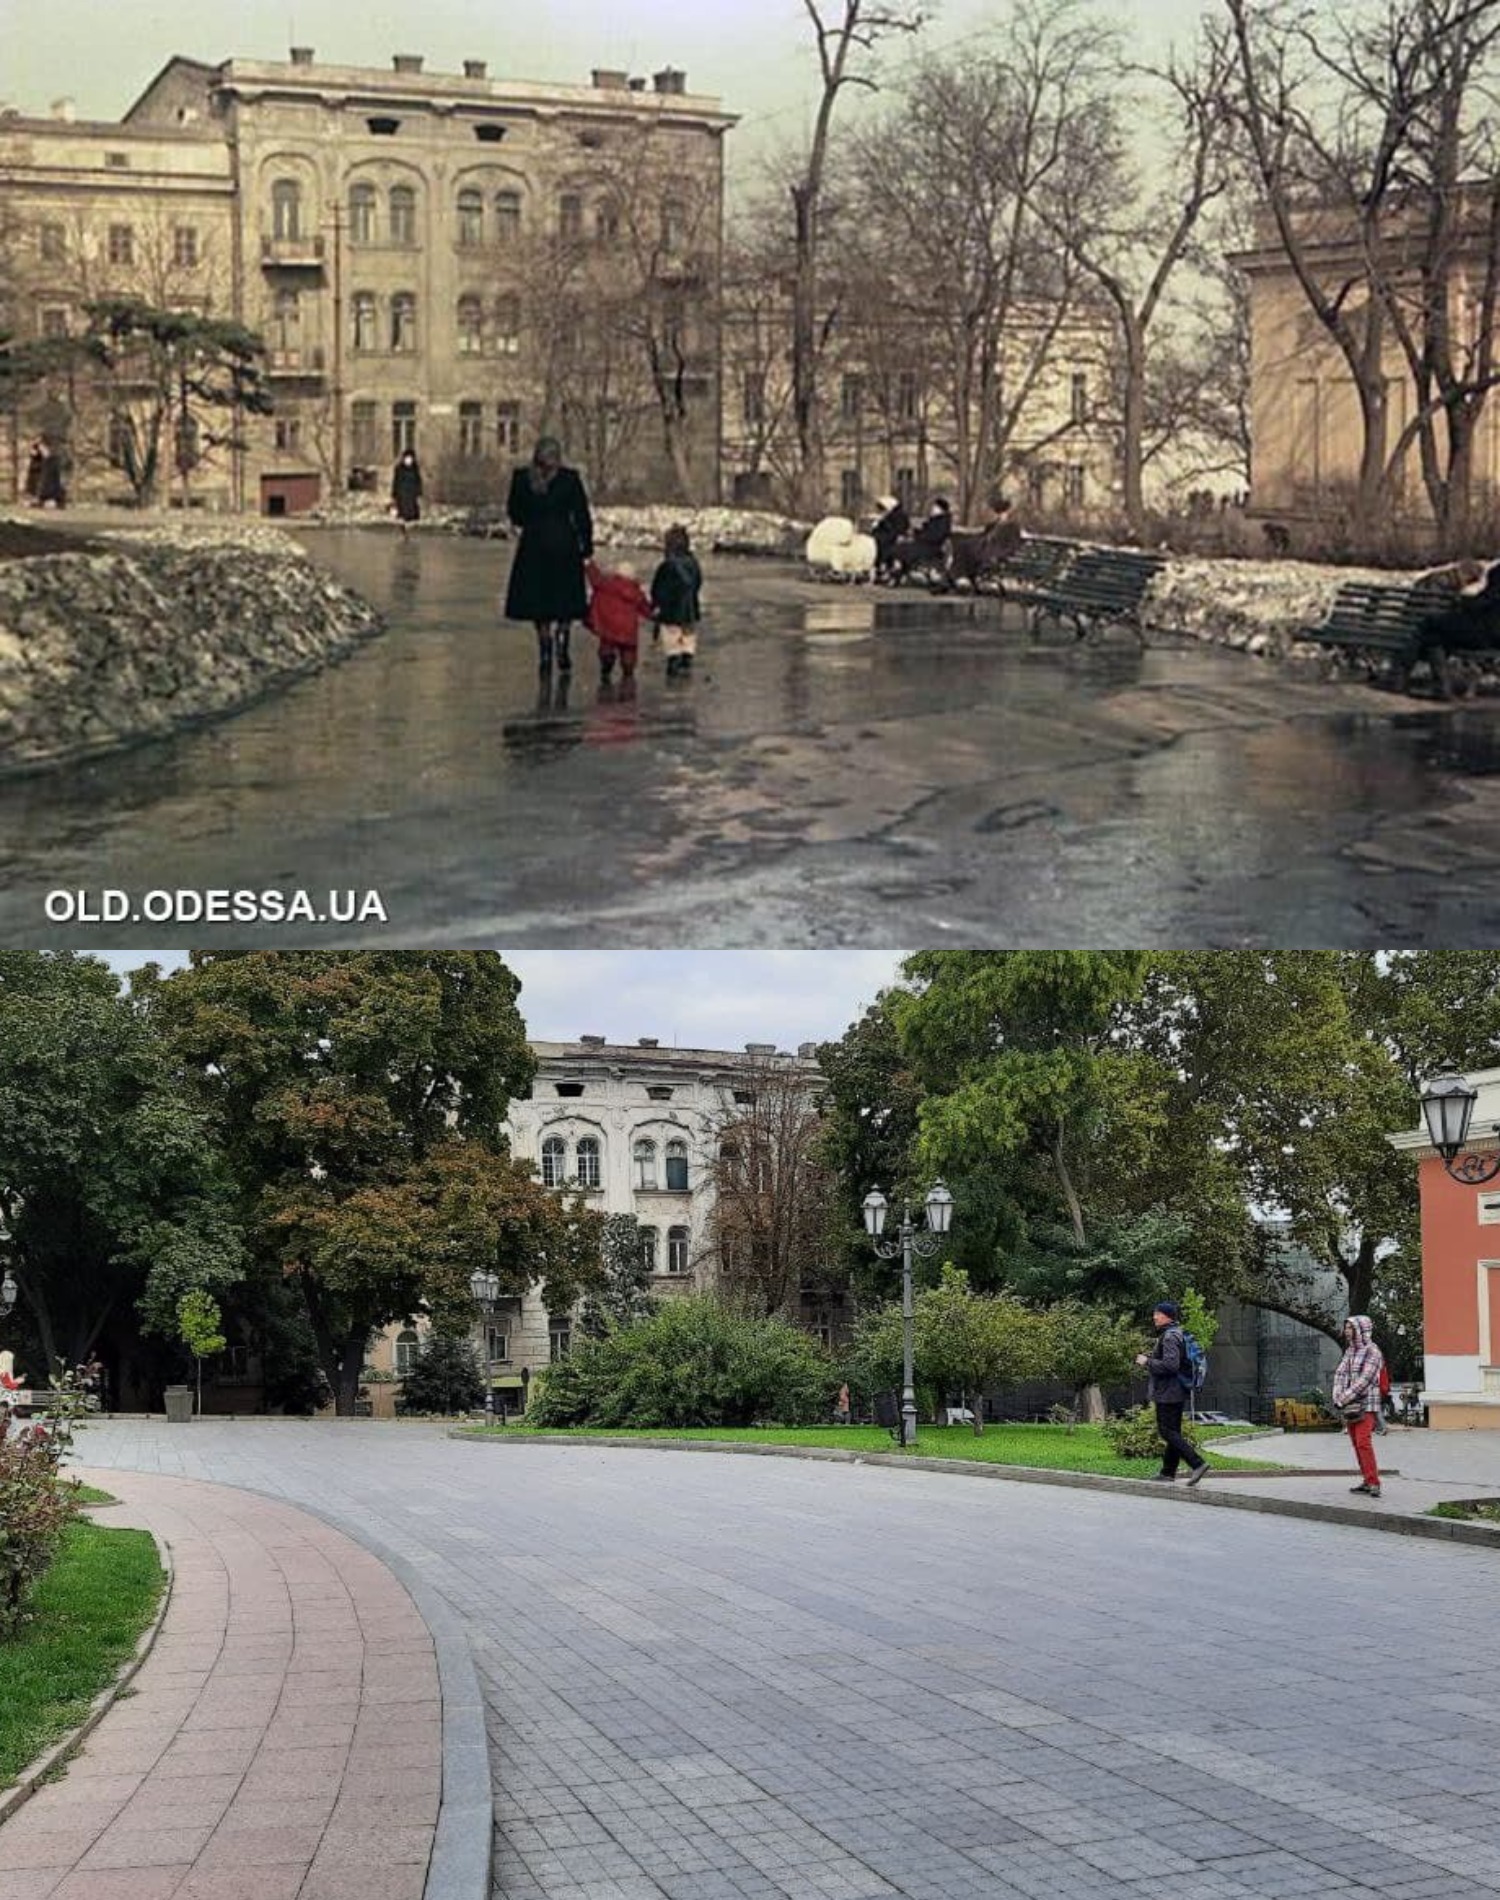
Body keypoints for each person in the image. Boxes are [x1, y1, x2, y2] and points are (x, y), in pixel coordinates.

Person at [506, 436, 594, 672]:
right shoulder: (569, 479)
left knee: (539, 600)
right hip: (564, 544)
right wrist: (586, 545)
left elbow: (515, 513)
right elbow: (582, 514)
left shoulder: (523, 478)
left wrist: (531, 520)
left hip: (534, 545)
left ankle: (544, 647)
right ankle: (562, 640)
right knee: (565, 598)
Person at [1135, 1301, 1209, 1486]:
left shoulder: (1169, 1337)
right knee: (1172, 1431)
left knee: (1166, 1431)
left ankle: (1197, 1463)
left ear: (1167, 1316)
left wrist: (1147, 1361)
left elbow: (1170, 1365)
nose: (1154, 1317)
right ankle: (1168, 1473)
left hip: (1169, 1391)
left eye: (1157, 1314)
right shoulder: (1178, 1333)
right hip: (1177, 1390)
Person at [1332, 1314, 1385, 1497]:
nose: (1346, 1331)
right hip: (1350, 1405)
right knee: (1356, 1444)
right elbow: (1340, 1374)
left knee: (1363, 1443)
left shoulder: (1373, 1351)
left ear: (1361, 1330)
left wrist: (1342, 1399)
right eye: (1346, 1327)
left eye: (1350, 1328)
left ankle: (1374, 1482)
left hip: (1366, 1404)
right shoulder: (1350, 1351)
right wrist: (1337, 1395)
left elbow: (1364, 1381)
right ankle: (1366, 1480)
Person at [584, 557, 654, 684]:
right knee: (628, 651)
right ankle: (628, 670)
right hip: (628, 630)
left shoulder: (607, 585)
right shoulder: (636, 592)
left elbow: (595, 578)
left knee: (607, 647)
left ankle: (606, 667)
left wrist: (589, 564)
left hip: (609, 627)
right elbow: (646, 609)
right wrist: (657, 615)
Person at [650, 524, 704, 679]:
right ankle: (687, 655)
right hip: (690, 607)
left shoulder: (667, 565)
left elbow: (658, 588)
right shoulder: (693, 563)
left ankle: (674, 658)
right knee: (688, 632)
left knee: (671, 633)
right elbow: (698, 582)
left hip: (671, 608)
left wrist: (656, 604)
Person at [949, 495, 1022, 590]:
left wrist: (1000, 555)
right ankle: (955, 575)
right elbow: (984, 534)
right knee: (963, 546)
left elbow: (1012, 545)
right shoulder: (994, 525)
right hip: (985, 548)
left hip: (995, 552)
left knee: (971, 552)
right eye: (999, 513)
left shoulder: (1012, 527)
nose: (1001, 515)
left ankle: (958, 576)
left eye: (1003, 512)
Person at [889, 496, 952, 582]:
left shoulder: (943, 522)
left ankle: (900, 571)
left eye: (935, 507)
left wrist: (919, 536)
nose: (932, 509)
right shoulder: (935, 520)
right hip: (924, 544)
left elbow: (936, 536)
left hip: (932, 547)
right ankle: (899, 570)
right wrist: (916, 532)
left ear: (941, 509)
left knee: (906, 549)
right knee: (901, 547)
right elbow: (926, 531)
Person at [870, 494, 909, 578]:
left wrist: (882, 521)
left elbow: (897, 530)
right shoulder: (889, 515)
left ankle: (881, 567)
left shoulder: (899, 515)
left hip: (893, 537)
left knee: (880, 544)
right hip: (887, 536)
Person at [390, 447, 423, 531]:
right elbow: (395, 481)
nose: (408, 460)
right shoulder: (399, 468)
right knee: (402, 513)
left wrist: (419, 493)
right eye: (407, 458)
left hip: (412, 494)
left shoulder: (415, 469)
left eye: (410, 458)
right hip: (402, 494)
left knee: (411, 513)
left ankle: (408, 527)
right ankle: (404, 527)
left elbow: (418, 481)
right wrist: (394, 494)